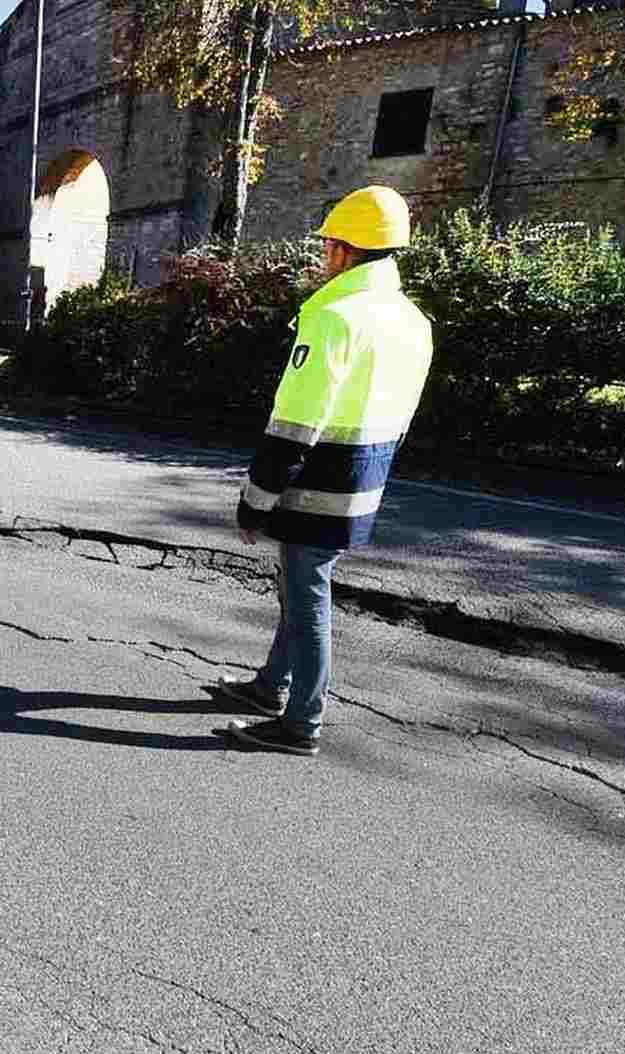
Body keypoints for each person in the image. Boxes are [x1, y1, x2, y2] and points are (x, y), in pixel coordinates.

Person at [213, 186, 434, 757]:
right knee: (299, 586)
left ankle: (300, 722)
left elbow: (296, 423)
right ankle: (268, 688)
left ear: (342, 250)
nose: (322, 256)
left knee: (307, 596)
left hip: (317, 482)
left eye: (327, 246)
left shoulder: (335, 317)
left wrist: (256, 500)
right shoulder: (412, 321)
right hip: (366, 477)